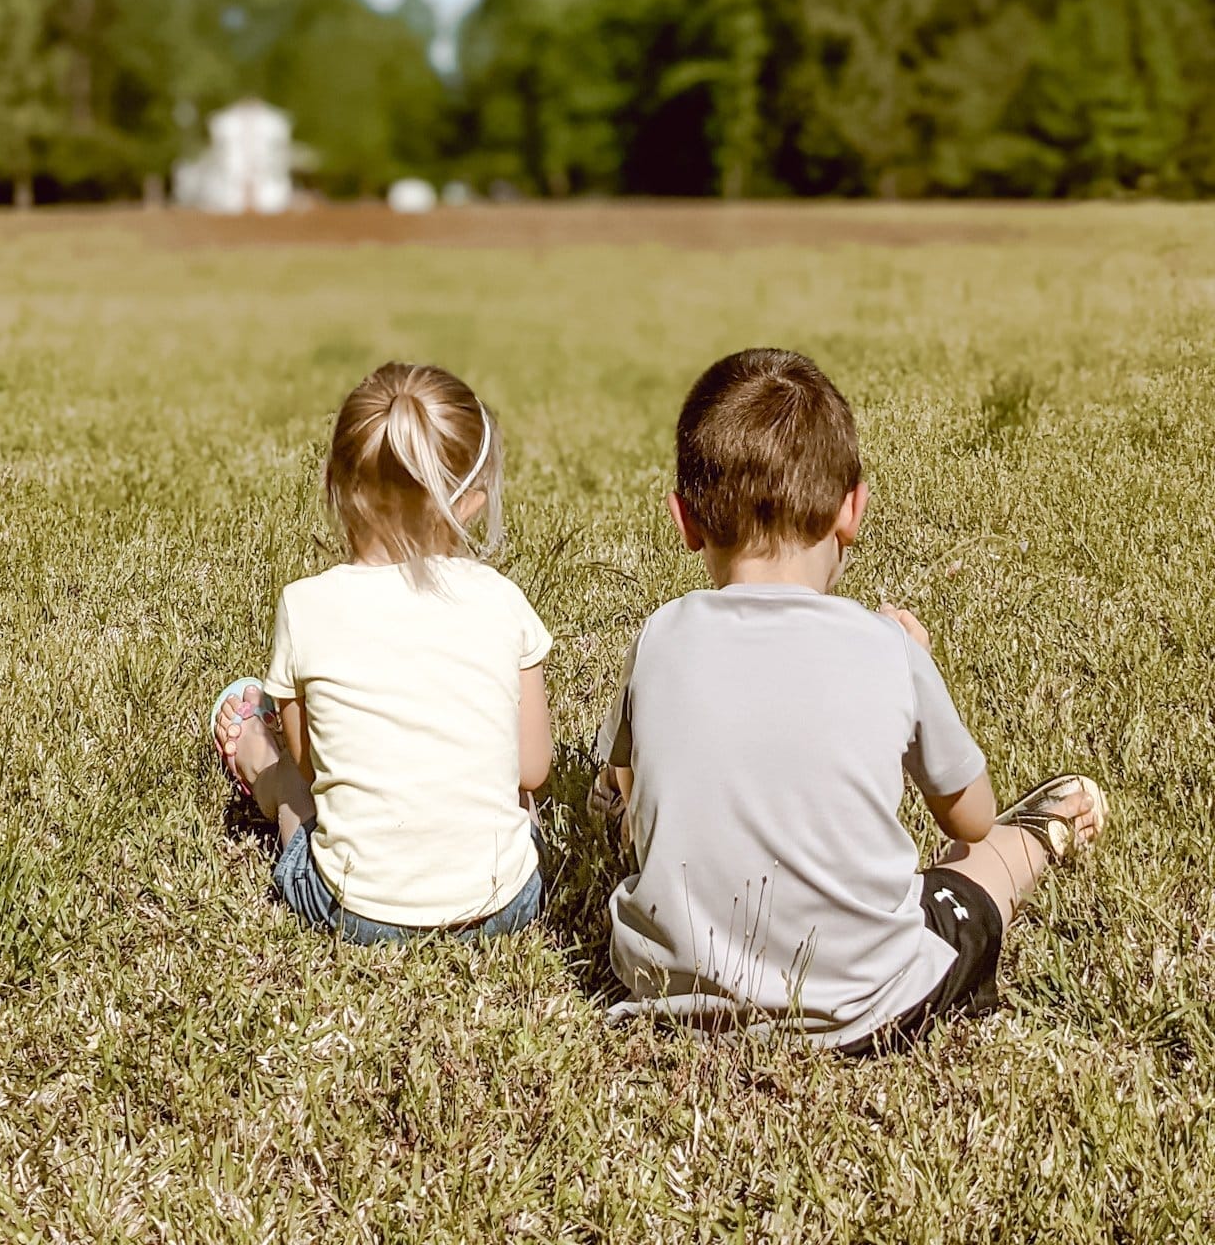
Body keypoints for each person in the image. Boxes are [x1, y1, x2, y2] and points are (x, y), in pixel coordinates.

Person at [592, 347, 1107, 1050]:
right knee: (977, 869)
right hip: (869, 1005)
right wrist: (921, 672)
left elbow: (628, 788)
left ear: (684, 520)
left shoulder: (660, 637)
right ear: (852, 510)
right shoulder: (887, 648)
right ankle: (1041, 837)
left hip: (672, 997)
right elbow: (972, 817)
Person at [211, 361, 553, 944]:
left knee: (294, 789)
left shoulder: (307, 605)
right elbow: (532, 768)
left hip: (357, 912)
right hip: (506, 905)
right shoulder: (501, 600)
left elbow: (316, 767)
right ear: (470, 502)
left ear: (335, 483)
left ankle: (254, 766)